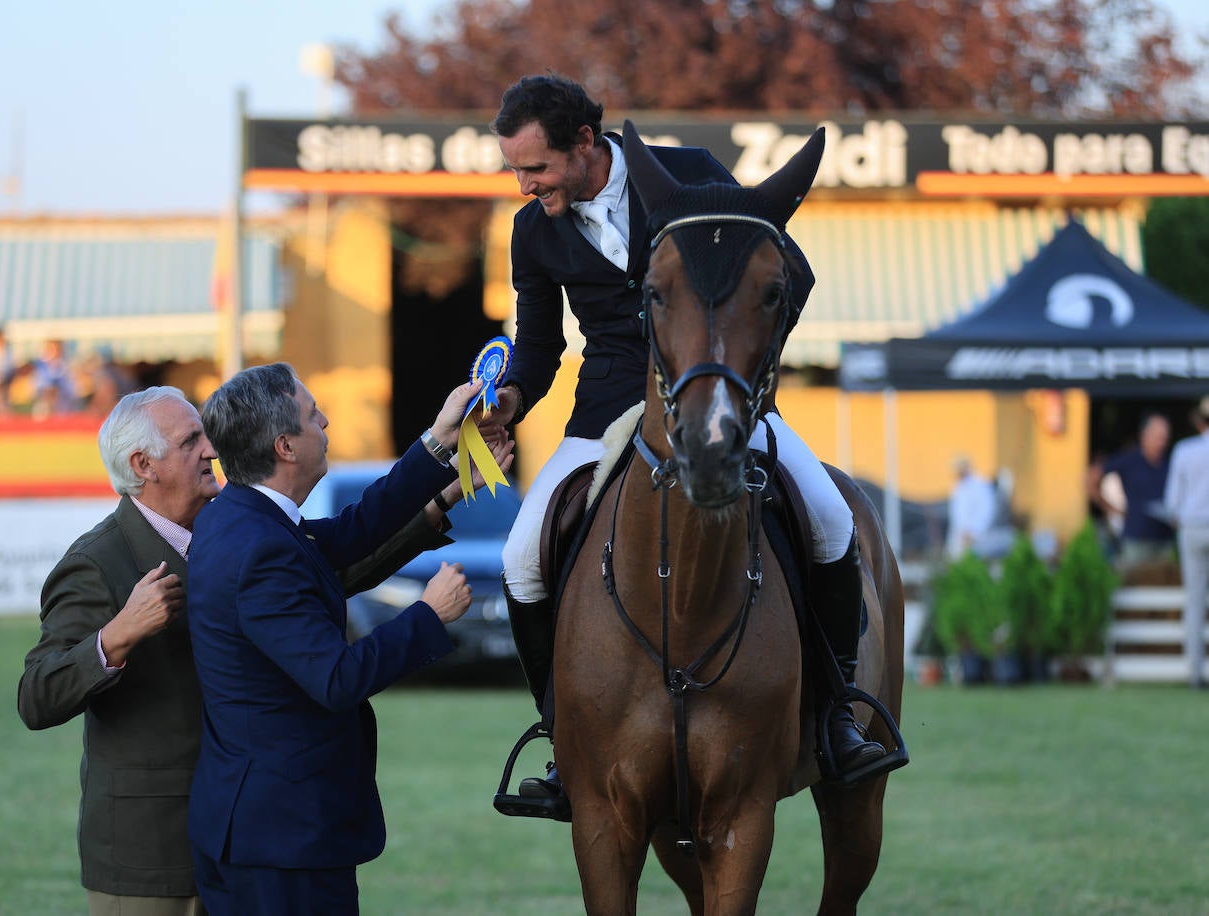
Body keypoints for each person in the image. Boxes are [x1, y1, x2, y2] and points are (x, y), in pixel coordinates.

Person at [482, 73, 887, 805]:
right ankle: (561, 737)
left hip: (719, 399)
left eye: (534, 168)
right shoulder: (532, 230)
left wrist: (746, 376)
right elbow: (538, 349)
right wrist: (505, 399)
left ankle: (837, 717)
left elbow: (786, 274)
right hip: (606, 412)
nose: (523, 184)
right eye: (515, 169)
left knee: (830, 518)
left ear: (583, 144)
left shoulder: (692, 175)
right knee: (520, 557)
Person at [18, 385, 497, 916]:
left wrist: (439, 482)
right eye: (190, 441)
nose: (211, 450)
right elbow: (37, 696)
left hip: (235, 827)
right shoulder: (97, 560)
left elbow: (336, 556)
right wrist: (119, 634)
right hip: (153, 855)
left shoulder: (227, 521)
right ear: (143, 464)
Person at [184, 363, 486, 915]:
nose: (325, 422)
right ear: (285, 446)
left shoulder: (241, 519)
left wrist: (438, 445)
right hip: (280, 842)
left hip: (262, 830)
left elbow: (354, 530)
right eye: (311, 414)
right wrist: (427, 614)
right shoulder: (259, 547)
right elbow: (335, 678)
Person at [1087, 412, 1176, 570]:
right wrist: (1110, 508)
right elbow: (1092, 478)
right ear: (1144, 435)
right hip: (1136, 539)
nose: (1162, 442)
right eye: (1158, 437)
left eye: (1165, 438)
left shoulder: (1170, 463)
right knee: (1134, 589)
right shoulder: (1129, 460)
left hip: (1164, 540)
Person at [1164, 396, 1209, 688]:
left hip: (1191, 528)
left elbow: (1172, 503)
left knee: (1194, 600)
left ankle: (1195, 673)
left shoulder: (1184, 450)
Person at [946, 456, 1011, 560]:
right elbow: (958, 515)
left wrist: (973, 531)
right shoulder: (959, 487)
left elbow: (986, 512)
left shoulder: (980, 486)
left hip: (976, 536)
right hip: (960, 536)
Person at [32, 338, 80, 417]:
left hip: (64, 405)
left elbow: (72, 389)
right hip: (45, 405)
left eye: (53, 348)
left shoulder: (66, 366)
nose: (50, 352)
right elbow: (39, 387)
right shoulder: (41, 366)